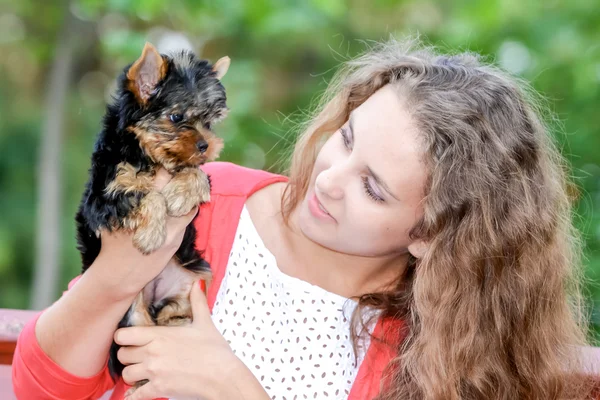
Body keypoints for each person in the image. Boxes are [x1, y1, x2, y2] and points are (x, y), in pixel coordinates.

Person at [12, 37, 600, 400]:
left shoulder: (448, 346)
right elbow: (39, 387)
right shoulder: (205, 200)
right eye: (345, 138)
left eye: (372, 187)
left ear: (430, 234)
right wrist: (116, 275)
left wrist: (234, 388)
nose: (327, 179)